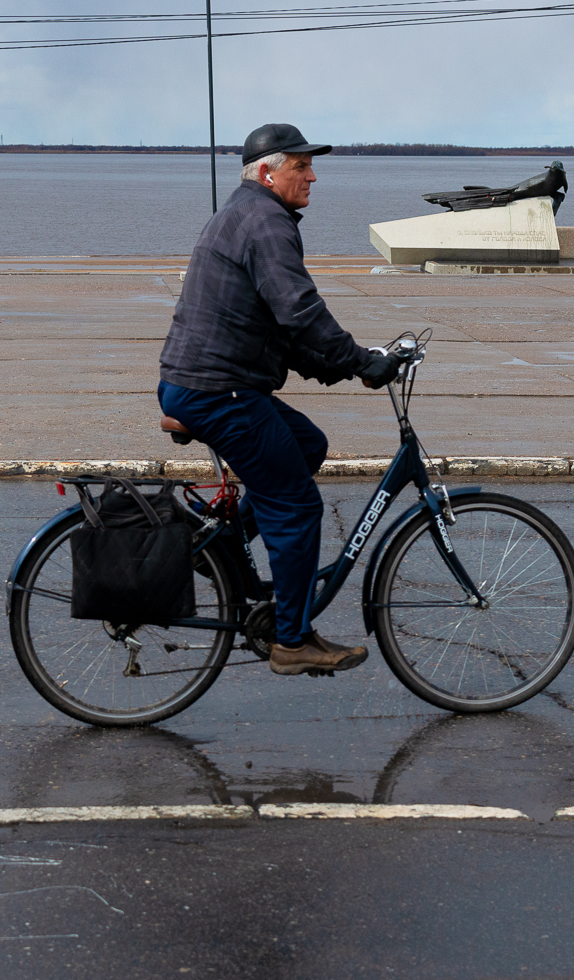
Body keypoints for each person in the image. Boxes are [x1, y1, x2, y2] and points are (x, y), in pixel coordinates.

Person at [158, 122, 403, 676]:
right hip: (220, 390)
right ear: (268, 173)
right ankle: (292, 640)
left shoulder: (245, 214)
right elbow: (299, 311)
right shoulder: (267, 222)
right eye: (301, 166)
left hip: (202, 382)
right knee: (296, 506)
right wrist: (360, 360)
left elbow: (283, 330)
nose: (312, 176)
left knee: (307, 444)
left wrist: (349, 366)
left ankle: (220, 546)